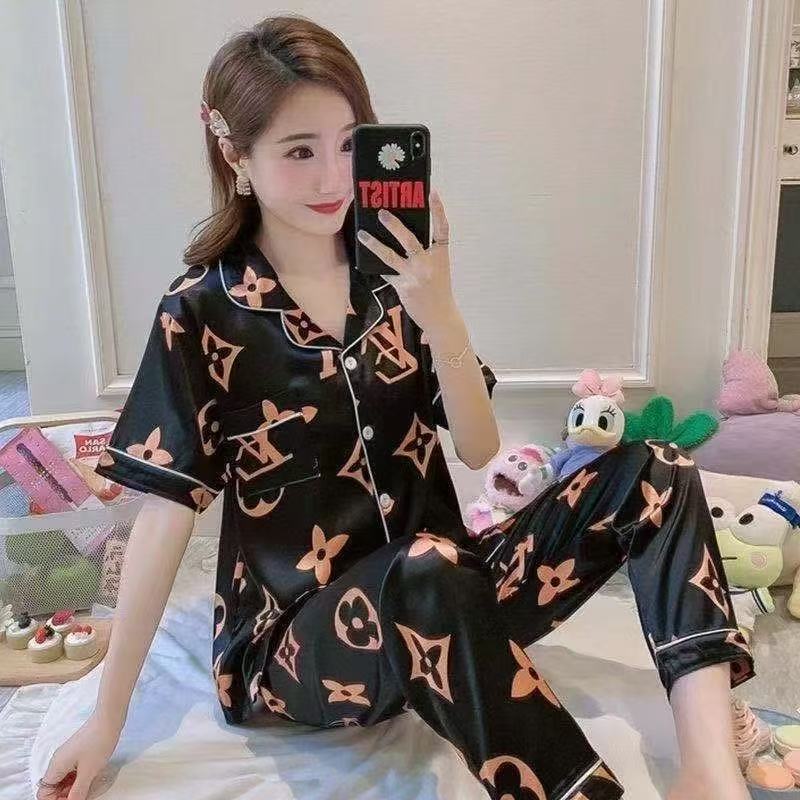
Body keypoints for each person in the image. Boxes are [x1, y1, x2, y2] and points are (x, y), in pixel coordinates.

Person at [37, 15, 756, 800]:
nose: (332, 177)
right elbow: (164, 516)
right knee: (426, 571)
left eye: (350, 144)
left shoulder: (394, 275)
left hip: (450, 599)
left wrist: (440, 314)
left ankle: (709, 771)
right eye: (299, 151)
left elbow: (477, 447)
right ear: (235, 156)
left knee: (656, 470)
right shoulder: (201, 312)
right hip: (297, 649)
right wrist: (106, 717)